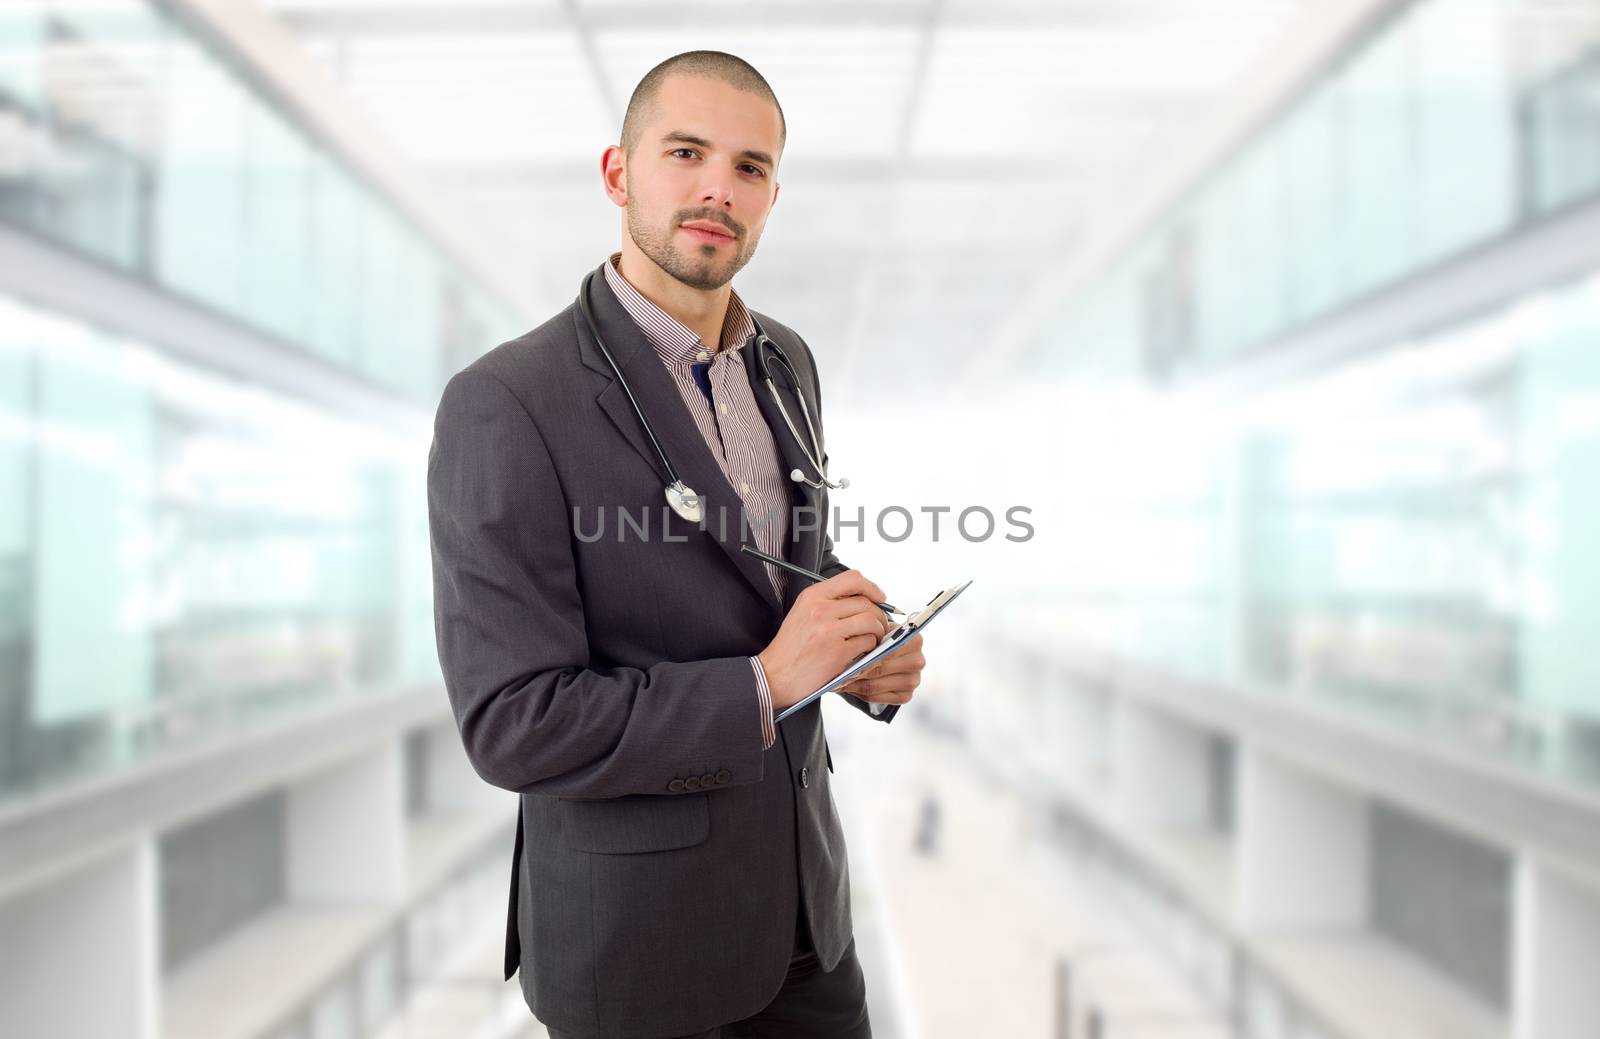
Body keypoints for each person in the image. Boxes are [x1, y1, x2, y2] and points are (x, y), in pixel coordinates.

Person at [427, 50, 927, 1039]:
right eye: (686, 152)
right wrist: (768, 683)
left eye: (749, 168)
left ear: (772, 197)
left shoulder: (787, 361)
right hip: (643, 955)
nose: (717, 188)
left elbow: (769, 574)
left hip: (809, 930)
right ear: (618, 174)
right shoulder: (508, 403)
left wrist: (862, 646)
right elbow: (514, 722)